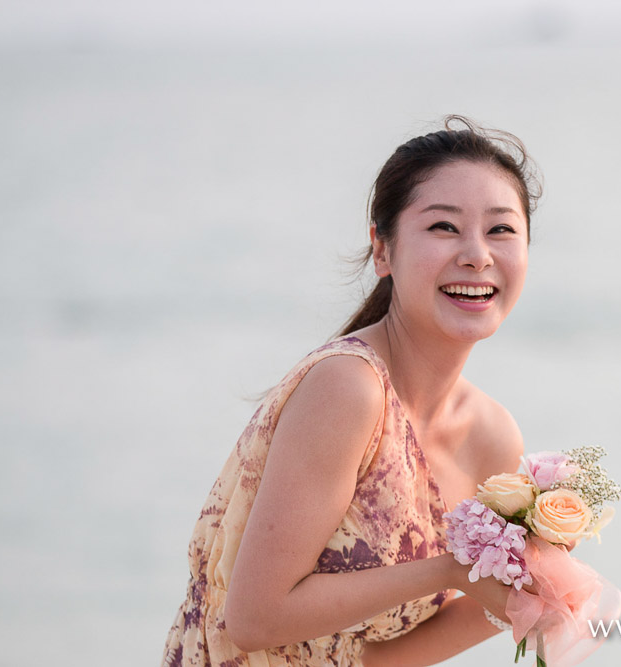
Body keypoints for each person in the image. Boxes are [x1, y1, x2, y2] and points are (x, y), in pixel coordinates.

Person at [162, 115, 541, 666]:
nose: (477, 254)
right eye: (443, 227)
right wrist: (450, 569)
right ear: (381, 251)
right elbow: (253, 619)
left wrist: (530, 588)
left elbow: (373, 661)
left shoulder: (492, 438)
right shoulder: (349, 388)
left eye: (501, 230)